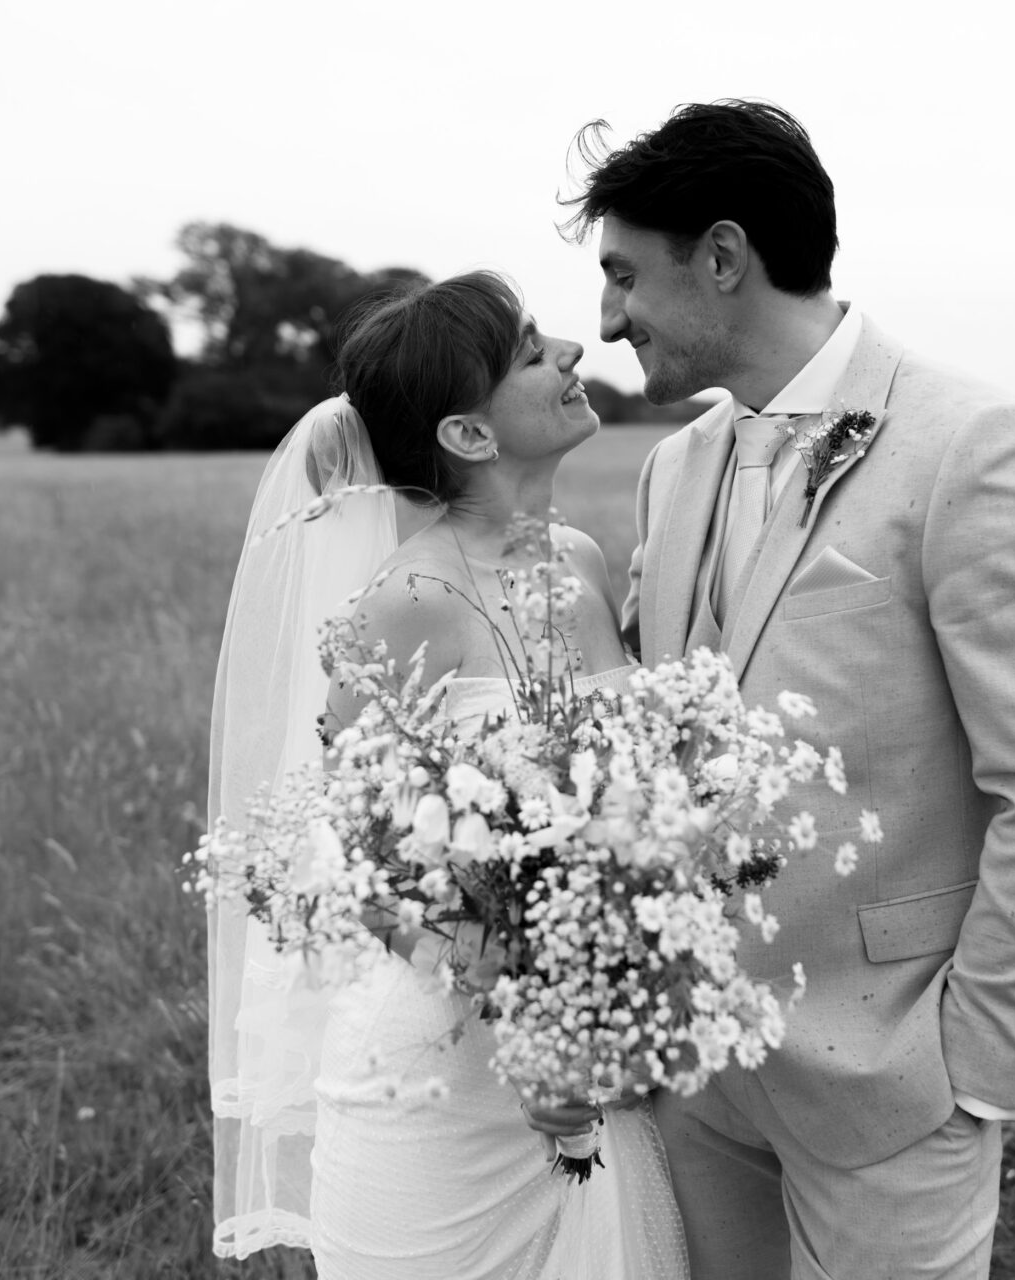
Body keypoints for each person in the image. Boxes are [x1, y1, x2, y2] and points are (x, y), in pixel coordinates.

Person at [564, 101, 1015, 1278]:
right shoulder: (675, 467)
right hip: (697, 1067)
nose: (607, 318)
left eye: (623, 275)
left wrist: (971, 1070)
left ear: (723, 258)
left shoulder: (975, 443)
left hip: (895, 1080)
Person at [205, 271, 687, 1278]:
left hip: (590, 1049)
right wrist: (520, 1012)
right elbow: (357, 868)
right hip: (441, 1069)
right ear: (468, 435)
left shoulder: (584, 559)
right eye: (528, 352)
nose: (571, 350)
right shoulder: (404, 600)